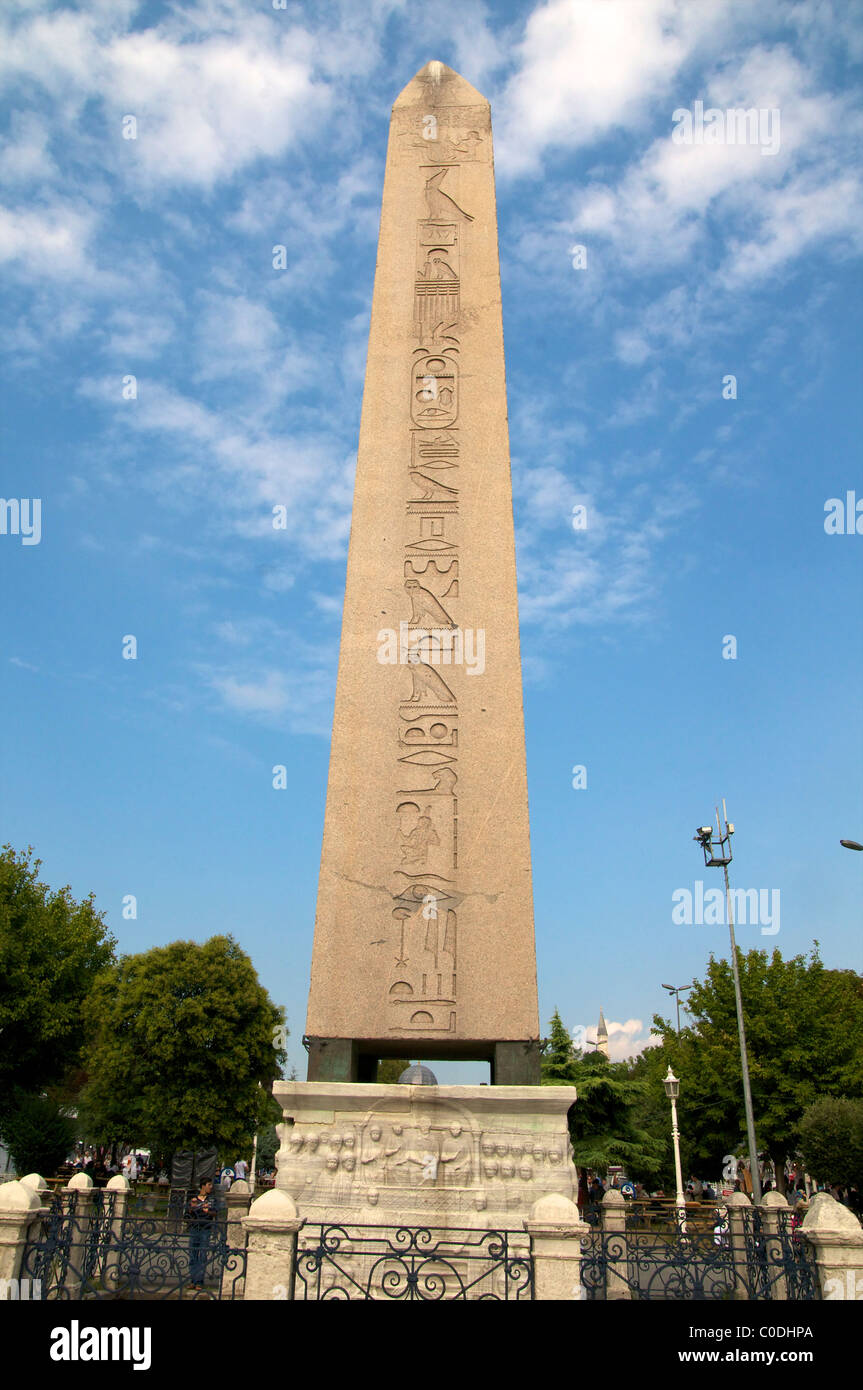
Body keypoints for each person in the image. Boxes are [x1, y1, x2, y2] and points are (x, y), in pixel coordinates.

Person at [187, 1178, 217, 1290]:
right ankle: (192, 1280)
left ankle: (199, 1281)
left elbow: (215, 1212)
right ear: (203, 1186)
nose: (211, 1187)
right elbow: (187, 1214)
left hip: (206, 1228)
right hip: (195, 1228)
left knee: (203, 1255)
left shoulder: (212, 1199)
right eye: (209, 1185)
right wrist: (192, 1208)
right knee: (193, 1254)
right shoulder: (194, 1198)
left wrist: (207, 1211)